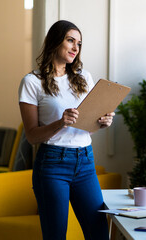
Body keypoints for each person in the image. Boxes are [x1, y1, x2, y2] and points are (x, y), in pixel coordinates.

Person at [18, 20, 113, 240]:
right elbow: (32, 135)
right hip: (52, 165)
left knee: (99, 234)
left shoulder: (83, 78)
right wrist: (61, 122)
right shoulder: (32, 82)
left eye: (79, 43)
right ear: (55, 41)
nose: (75, 48)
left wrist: (101, 122)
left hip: (85, 162)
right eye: (70, 40)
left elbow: (86, 129)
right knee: (56, 235)